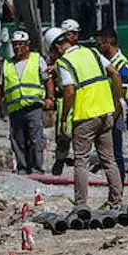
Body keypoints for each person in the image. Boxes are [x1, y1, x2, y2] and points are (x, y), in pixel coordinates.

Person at [56, 26, 125, 209]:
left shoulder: (64, 62)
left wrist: (64, 119)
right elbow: (116, 75)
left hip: (85, 117)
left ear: (56, 47)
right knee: (109, 160)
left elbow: (69, 92)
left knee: (81, 161)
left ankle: (81, 205)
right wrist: (117, 102)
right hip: (105, 113)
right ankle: (116, 201)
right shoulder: (92, 52)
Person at [0, 30, 46, 173]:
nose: (17, 48)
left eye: (20, 44)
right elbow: (0, 87)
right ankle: (22, 168)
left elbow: (47, 79)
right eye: (15, 45)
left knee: (35, 139)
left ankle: (36, 169)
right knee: (18, 140)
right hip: (15, 109)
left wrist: (50, 98)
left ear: (27, 45)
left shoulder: (37, 59)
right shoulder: (7, 64)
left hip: (33, 106)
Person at [94, 27, 128, 178]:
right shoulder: (109, 62)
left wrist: (112, 117)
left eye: (99, 44)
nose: (98, 48)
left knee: (116, 151)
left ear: (108, 42)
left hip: (118, 109)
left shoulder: (121, 64)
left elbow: (121, 96)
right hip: (110, 107)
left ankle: (119, 184)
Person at [45, 25, 73, 176]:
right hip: (80, 102)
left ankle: (63, 160)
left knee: (66, 134)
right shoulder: (84, 54)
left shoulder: (63, 63)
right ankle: (61, 159)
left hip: (69, 102)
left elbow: (69, 88)